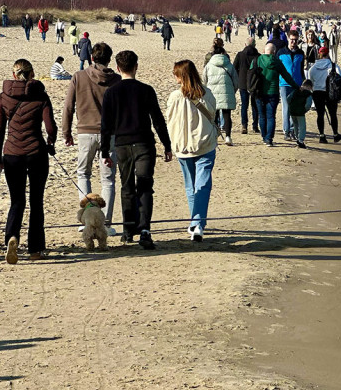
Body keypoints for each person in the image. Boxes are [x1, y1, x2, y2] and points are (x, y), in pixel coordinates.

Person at [100, 50, 173, 250]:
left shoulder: (111, 92)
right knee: (145, 186)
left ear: (117, 68)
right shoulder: (146, 90)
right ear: (136, 66)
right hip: (143, 143)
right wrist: (167, 145)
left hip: (122, 145)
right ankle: (144, 230)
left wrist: (105, 151)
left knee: (127, 187)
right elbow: (158, 120)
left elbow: (105, 125)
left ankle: (128, 230)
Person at [0, 59, 57, 264]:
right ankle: (35, 249)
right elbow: (50, 128)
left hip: (11, 153)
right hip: (36, 152)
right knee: (36, 201)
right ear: (32, 74)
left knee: (17, 200)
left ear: (14, 75)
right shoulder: (41, 95)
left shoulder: (4, 97)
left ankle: (12, 237)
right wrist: (51, 142)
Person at [63, 41, 121, 235]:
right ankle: (105, 223)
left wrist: (66, 132)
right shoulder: (117, 79)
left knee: (84, 174)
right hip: (110, 134)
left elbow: (68, 107)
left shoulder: (79, 76)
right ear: (109, 58)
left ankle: (88, 220)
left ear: (92, 58)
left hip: (86, 132)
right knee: (108, 180)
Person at [166, 60, 218, 242]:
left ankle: (197, 223)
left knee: (195, 186)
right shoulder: (207, 94)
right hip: (200, 145)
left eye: (176, 74)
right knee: (199, 186)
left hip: (191, 146)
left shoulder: (177, 97)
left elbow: (169, 120)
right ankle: (197, 223)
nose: (174, 77)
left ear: (181, 76)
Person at [251, 42, 298, 147]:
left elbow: (250, 73)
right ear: (274, 52)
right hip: (273, 92)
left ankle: (264, 137)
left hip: (259, 92)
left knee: (262, 116)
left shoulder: (257, 60)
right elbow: (286, 76)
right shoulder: (277, 62)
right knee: (271, 116)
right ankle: (269, 139)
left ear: (264, 50)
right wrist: (296, 86)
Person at [202, 39, 238, 146]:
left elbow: (204, 79)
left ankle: (215, 136)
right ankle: (228, 137)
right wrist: (233, 91)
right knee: (227, 115)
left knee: (215, 116)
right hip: (226, 92)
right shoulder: (228, 64)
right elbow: (235, 80)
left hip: (213, 93)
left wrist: (207, 90)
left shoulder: (209, 65)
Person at [308, 47, 341, 144]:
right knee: (333, 114)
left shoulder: (313, 68)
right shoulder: (333, 66)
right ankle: (335, 134)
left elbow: (311, 81)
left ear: (319, 55)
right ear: (328, 54)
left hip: (317, 93)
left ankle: (322, 136)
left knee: (320, 114)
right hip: (330, 93)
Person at [277, 32, 306, 140]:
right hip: (284, 84)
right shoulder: (281, 52)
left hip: (297, 84)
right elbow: (277, 69)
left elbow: (301, 69)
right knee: (286, 107)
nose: (293, 42)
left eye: (295, 40)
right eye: (292, 40)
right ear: (288, 39)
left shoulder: (301, 53)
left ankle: (293, 129)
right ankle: (286, 131)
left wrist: (303, 82)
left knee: (294, 108)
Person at [232, 36, 260, 134]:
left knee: (244, 105)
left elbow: (234, 68)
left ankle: (244, 125)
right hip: (255, 83)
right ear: (255, 45)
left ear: (245, 45)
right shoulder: (258, 56)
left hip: (243, 82)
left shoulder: (240, 55)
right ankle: (255, 126)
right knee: (255, 105)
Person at [288, 79, 314, 148]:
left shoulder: (295, 91)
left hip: (292, 111)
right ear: (309, 87)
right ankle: (300, 140)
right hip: (301, 112)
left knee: (295, 125)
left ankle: (297, 137)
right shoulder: (308, 94)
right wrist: (304, 110)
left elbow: (288, 98)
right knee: (302, 127)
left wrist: (290, 106)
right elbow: (308, 105)